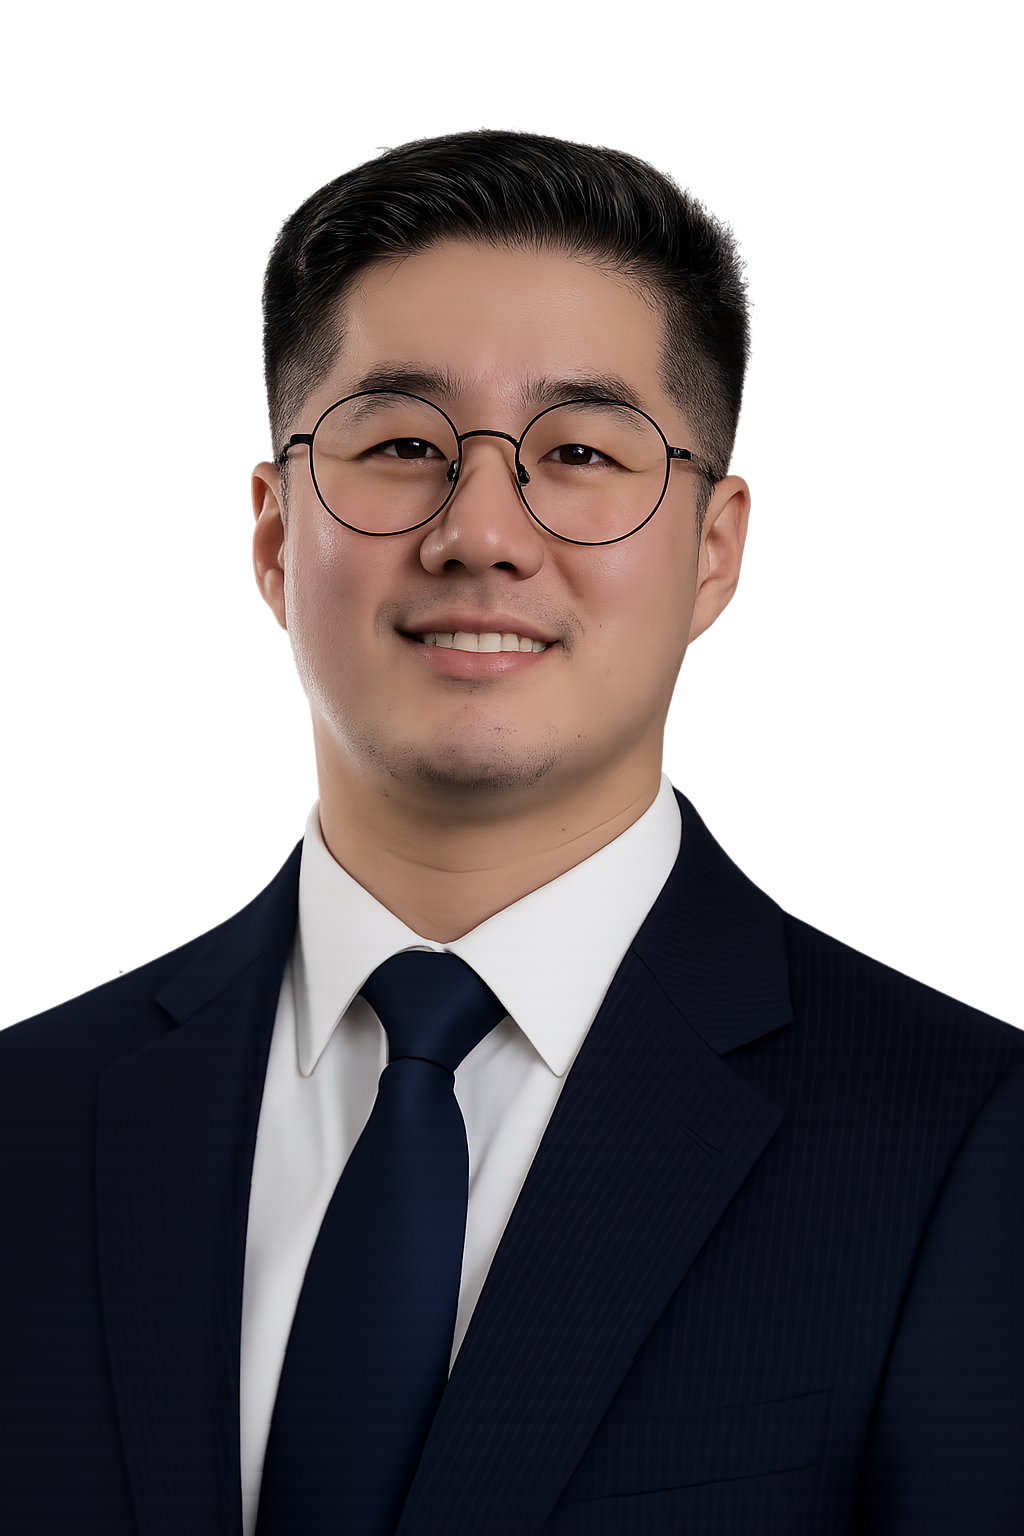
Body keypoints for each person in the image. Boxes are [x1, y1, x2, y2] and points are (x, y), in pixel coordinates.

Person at [0, 131, 1021, 1536]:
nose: (481, 533)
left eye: (582, 452)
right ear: (274, 535)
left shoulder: (957, 1140)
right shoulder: (31, 1123)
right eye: (402, 446)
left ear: (714, 547)